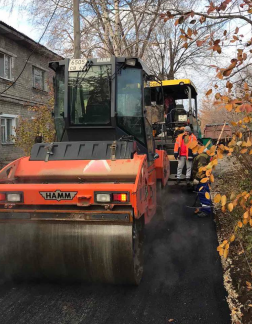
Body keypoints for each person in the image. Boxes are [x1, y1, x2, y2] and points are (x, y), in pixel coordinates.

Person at [192, 148, 212, 217]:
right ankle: (205, 208)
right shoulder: (203, 155)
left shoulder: (201, 157)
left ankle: (206, 211)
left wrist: (197, 179)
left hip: (203, 179)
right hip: (204, 178)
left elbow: (202, 169)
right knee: (203, 194)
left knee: (203, 194)